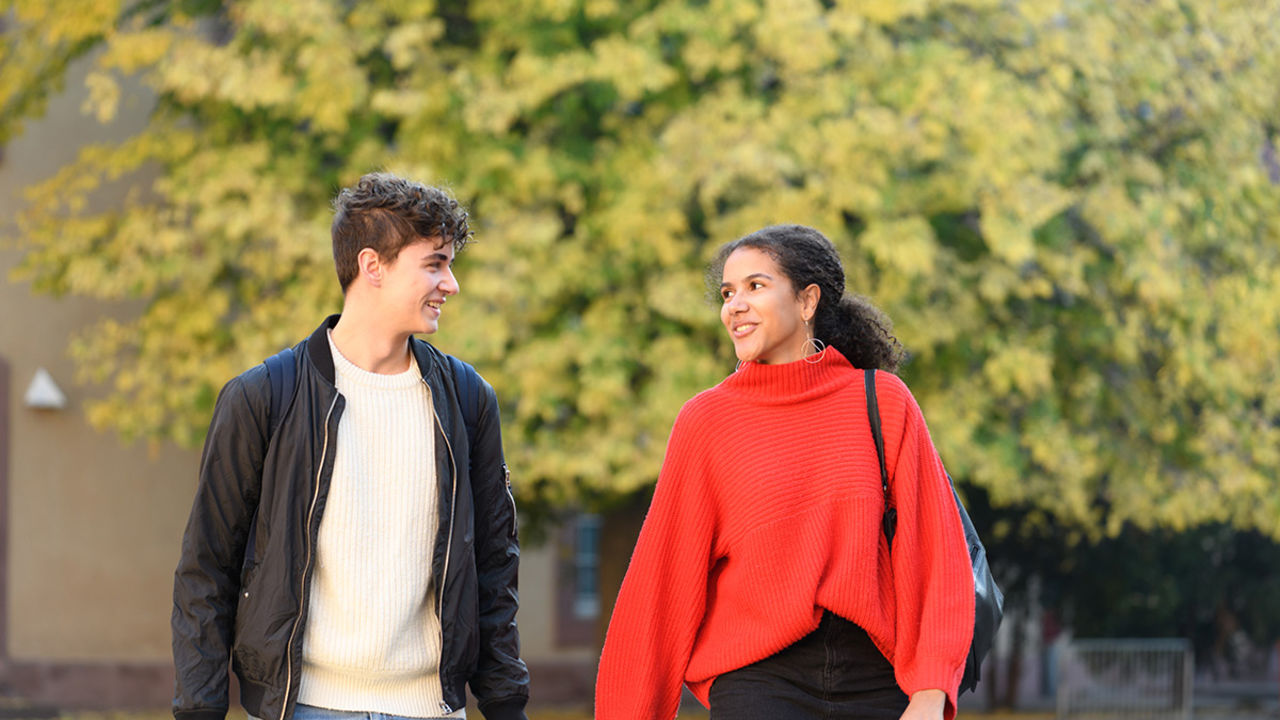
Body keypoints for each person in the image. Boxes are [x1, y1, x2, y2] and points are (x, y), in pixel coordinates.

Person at [172, 173, 529, 720]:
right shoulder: (265, 396)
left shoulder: (467, 399)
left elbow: (493, 565)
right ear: (372, 266)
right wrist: (200, 710)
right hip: (306, 706)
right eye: (435, 263)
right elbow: (207, 569)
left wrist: (506, 704)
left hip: (432, 708)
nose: (451, 283)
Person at [595, 224, 974, 720]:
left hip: (879, 682)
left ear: (807, 301)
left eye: (755, 286)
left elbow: (937, 554)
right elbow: (661, 585)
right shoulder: (707, 421)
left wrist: (930, 690)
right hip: (759, 685)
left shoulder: (882, 402)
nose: (734, 305)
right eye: (728, 293)